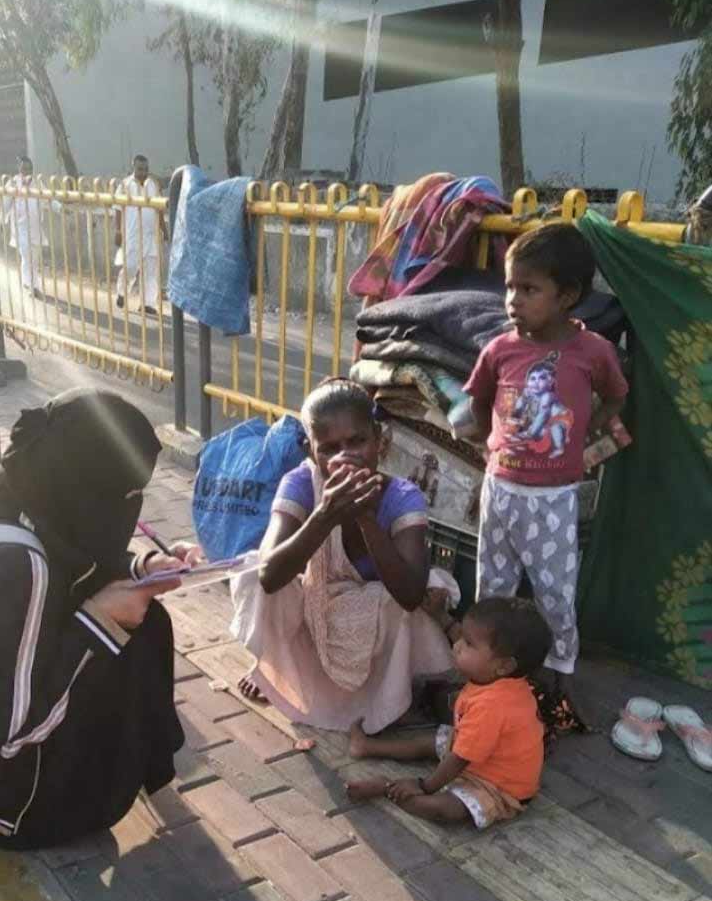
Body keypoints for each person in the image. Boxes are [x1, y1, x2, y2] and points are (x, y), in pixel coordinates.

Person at [0, 389, 195, 850]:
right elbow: (6, 735)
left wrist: (141, 568)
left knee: (144, 624)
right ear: (85, 485)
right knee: (122, 639)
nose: (131, 506)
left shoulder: (18, 495)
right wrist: (100, 621)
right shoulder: (15, 571)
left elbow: (73, 558)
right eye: (124, 494)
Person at [230, 379, 454, 733]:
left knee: (413, 596)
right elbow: (269, 575)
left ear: (379, 441)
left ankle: (385, 698)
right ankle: (276, 667)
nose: (345, 457)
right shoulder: (301, 483)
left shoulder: (401, 495)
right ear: (311, 452)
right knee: (250, 573)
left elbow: (410, 595)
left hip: (373, 619)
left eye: (357, 441)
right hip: (317, 605)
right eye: (330, 449)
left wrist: (365, 517)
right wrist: (325, 514)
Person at [465, 225, 627, 689]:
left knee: (554, 591)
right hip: (501, 491)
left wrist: (590, 427)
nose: (512, 300)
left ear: (567, 296)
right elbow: (479, 400)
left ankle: (559, 676)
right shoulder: (500, 350)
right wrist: (491, 441)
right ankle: (489, 673)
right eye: (510, 287)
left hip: (553, 500)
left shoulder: (593, 352)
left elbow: (616, 394)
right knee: (492, 587)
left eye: (529, 289)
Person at [346, 596, 551, 829]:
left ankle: (386, 788)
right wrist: (442, 617)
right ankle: (366, 746)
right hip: (480, 757)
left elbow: (459, 759)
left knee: (445, 809)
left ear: (503, 666)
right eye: (462, 637)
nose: (458, 645)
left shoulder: (493, 706)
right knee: (434, 739)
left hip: (498, 786)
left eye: (469, 644)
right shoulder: (499, 679)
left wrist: (424, 786)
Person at [115, 154, 167, 316]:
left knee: (151, 271)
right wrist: (118, 231)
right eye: (140, 169)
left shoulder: (154, 185)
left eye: (145, 169)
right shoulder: (124, 185)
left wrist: (164, 229)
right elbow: (118, 209)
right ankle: (122, 292)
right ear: (134, 168)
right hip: (133, 234)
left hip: (151, 234)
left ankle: (147, 303)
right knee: (130, 267)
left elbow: (159, 209)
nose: (143, 172)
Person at [3, 154, 60, 297]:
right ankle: (34, 287)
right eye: (24, 169)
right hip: (20, 228)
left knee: (33, 258)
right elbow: (5, 204)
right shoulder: (13, 184)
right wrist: (1, 221)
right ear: (19, 169)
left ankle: (26, 281)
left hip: (35, 228)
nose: (27, 171)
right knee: (27, 255)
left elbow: (48, 199)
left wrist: (60, 208)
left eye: (30, 169)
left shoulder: (37, 184)